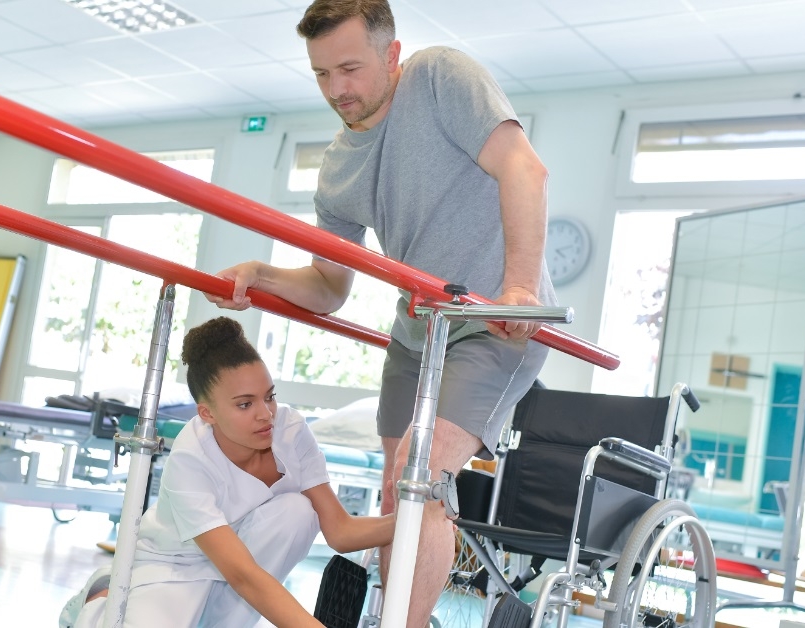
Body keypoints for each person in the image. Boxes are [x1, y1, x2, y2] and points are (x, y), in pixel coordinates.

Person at [204, 1, 556, 625]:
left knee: (422, 474)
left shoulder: (441, 77)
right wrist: (259, 276)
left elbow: (524, 168)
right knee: (400, 489)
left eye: (350, 68)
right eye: (320, 74)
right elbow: (327, 287)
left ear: (392, 56)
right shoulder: (338, 168)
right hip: (419, 330)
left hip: (495, 323)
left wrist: (521, 289)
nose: (337, 90)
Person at [60, 316, 394, 628]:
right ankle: (97, 603)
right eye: (245, 404)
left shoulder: (291, 430)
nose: (266, 414)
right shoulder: (190, 457)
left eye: (270, 397)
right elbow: (243, 575)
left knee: (299, 511)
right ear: (208, 413)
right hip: (173, 566)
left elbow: (340, 531)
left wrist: (423, 522)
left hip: (242, 563)